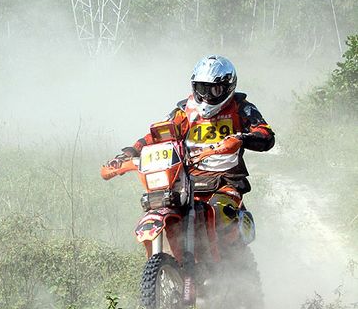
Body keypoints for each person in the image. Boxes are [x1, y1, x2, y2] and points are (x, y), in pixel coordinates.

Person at [103, 55, 274, 216]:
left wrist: (241, 139)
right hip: (186, 180)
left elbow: (265, 134)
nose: (206, 96)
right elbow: (157, 135)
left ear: (228, 88)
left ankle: (232, 244)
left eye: (214, 90)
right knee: (163, 205)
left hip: (226, 182)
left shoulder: (240, 108)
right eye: (202, 89)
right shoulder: (185, 111)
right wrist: (131, 152)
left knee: (220, 213)